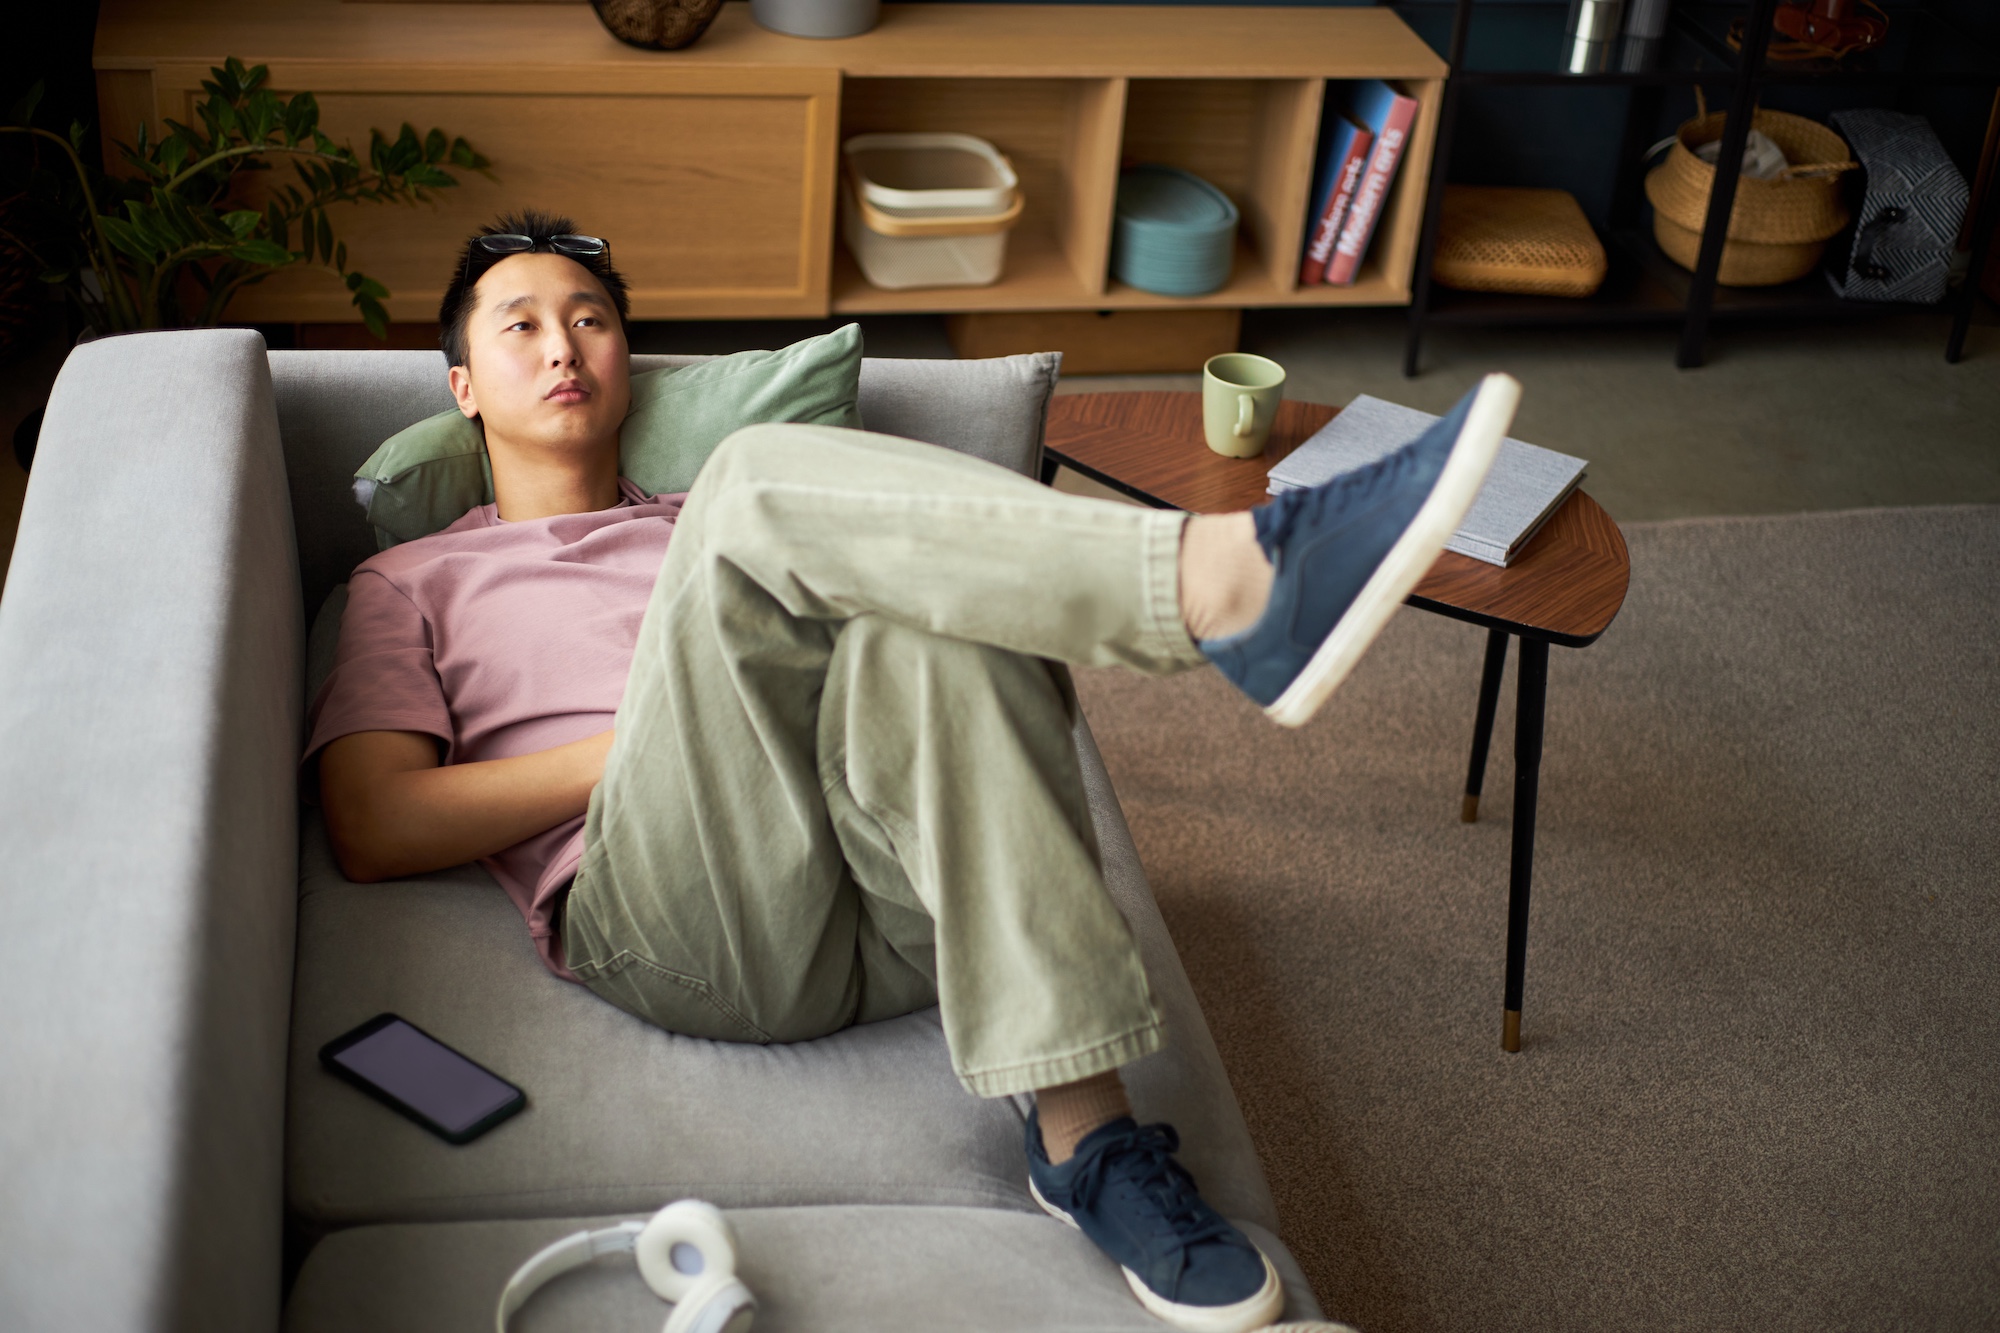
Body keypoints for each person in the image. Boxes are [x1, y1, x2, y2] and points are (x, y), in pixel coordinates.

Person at [309, 210, 1513, 1333]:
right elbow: (373, 822)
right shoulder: (411, 580)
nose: (562, 344)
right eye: (518, 323)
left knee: (921, 620)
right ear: (462, 388)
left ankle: (1087, 1143)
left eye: (589, 318)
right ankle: (1209, 585)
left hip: (888, 909)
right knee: (753, 478)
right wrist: (646, 744)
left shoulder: (712, 516)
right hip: (675, 917)